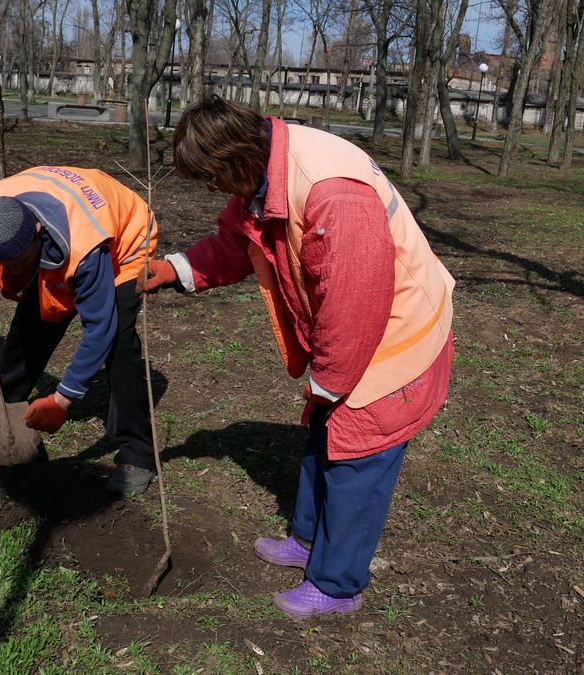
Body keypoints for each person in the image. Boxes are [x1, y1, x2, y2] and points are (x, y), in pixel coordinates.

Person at [143, 96, 455, 619]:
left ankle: (337, 585)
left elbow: (354, 300)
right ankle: (309, 539)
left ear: (237, 161)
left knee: (357, 457)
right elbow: (235, 244)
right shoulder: (264, 171)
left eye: (211, 180)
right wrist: (174, 269)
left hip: (396, 338)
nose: (212, 191)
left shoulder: (334, 194)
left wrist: (331, 380)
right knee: (321, 431)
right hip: (353, 333)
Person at [0, 166, 158, 495]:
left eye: (21, 259)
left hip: (125, 241)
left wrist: (62, 399)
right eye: (7, 262)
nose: (15, 270)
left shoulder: (86, 249)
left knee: (117, 341)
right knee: (34, 319)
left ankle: (137, 455)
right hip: (67, 222)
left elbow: (99, 329)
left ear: (38, 230)